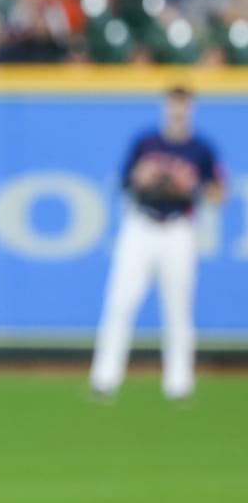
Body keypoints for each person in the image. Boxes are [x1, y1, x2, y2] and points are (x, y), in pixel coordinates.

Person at [89, 85, 225, 402]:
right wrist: (144, 178)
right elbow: (123, 182)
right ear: (165, 107)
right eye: (173, 105)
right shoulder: (146, 142)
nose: (178, 111)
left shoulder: (201, 149)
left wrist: (190, 185)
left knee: (178, 308)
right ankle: (104, 379)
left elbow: (219, 193)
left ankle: (179, 384)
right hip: (141, 225)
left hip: (178, 228)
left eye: (183, 106)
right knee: (121, 302)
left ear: (191, 109)